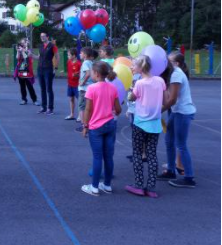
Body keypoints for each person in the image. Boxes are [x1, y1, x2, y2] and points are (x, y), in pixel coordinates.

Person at [125, 55, 166, 198]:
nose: (132, 67)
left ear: (141, 68)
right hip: (155, 123)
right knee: (152, 154)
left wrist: (130, 90)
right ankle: (151, 187)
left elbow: (132, 98)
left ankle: (138, 185)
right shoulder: (160, 80)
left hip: (140, 122)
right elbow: (163, 97)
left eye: (134, 65)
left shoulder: (140, 83)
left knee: (137, 152)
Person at [81, 61, 121, 196]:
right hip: (110, 124)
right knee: (108, 156)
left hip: (96, 127)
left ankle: (94, 187)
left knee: (97, 157)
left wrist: (85, 126)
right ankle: (107, 185)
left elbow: (88, 109)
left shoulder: (91, 88)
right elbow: (118, 109)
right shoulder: (112, 88)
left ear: (96, 74)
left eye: (92, 72)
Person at [157, 52, 197, 188]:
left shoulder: (176, 74)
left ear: (175, 63)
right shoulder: (172, 74)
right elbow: (169, 96)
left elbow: (172, 99)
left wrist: (159, 111)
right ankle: (171, 170)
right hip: (177, 111)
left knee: (181, 144)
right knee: (169, 140)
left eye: (168, 60)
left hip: (182, 112)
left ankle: (189, 177)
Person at [32, 33, 59, 114]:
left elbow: (57, 57)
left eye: (44, 36)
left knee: (49, 89)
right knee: (42, 88)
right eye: (41, 37)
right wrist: (31, 55)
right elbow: (38, 57)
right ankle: (43, 107)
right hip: (40, 69)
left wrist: (56, 68)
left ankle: (50, 108)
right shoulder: (40, 46)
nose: (42, 38)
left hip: (48, 69)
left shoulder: (52, 46)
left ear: (47, 37)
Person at [76, 48, 96, 131]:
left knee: (82, 107)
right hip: (91, 88)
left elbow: (87, 73)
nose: (80, 54)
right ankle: (89, 123)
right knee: (89, 107)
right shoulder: (91, 62)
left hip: (84, 89)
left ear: (85, 55)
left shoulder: (85, 63)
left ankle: (84, 124)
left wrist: (83, 82)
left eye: (81, 53)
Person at [15, 38, 37, 105]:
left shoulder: (29, 50)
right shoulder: (20, 50)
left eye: (24, 42)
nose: (22, 44)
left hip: (27, 72)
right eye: (21, 43)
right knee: (22, 86)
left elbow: (26, 57)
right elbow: (17, 58)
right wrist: (18, 51)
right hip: (21, 71)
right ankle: (24, 99)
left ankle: (34, 100)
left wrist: (23, 51)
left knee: (30, 86)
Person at [65, 48, 81, 120]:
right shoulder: (68, 62)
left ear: (74, 55)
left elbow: (81, 74)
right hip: (70, 84)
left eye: (69, 55)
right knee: (71, 99)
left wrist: (77, 75)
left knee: (79, 100)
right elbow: (69, 71)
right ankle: (72, 114)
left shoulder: (79, 64)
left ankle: (80, 116)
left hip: (77, 85)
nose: (68, 56)